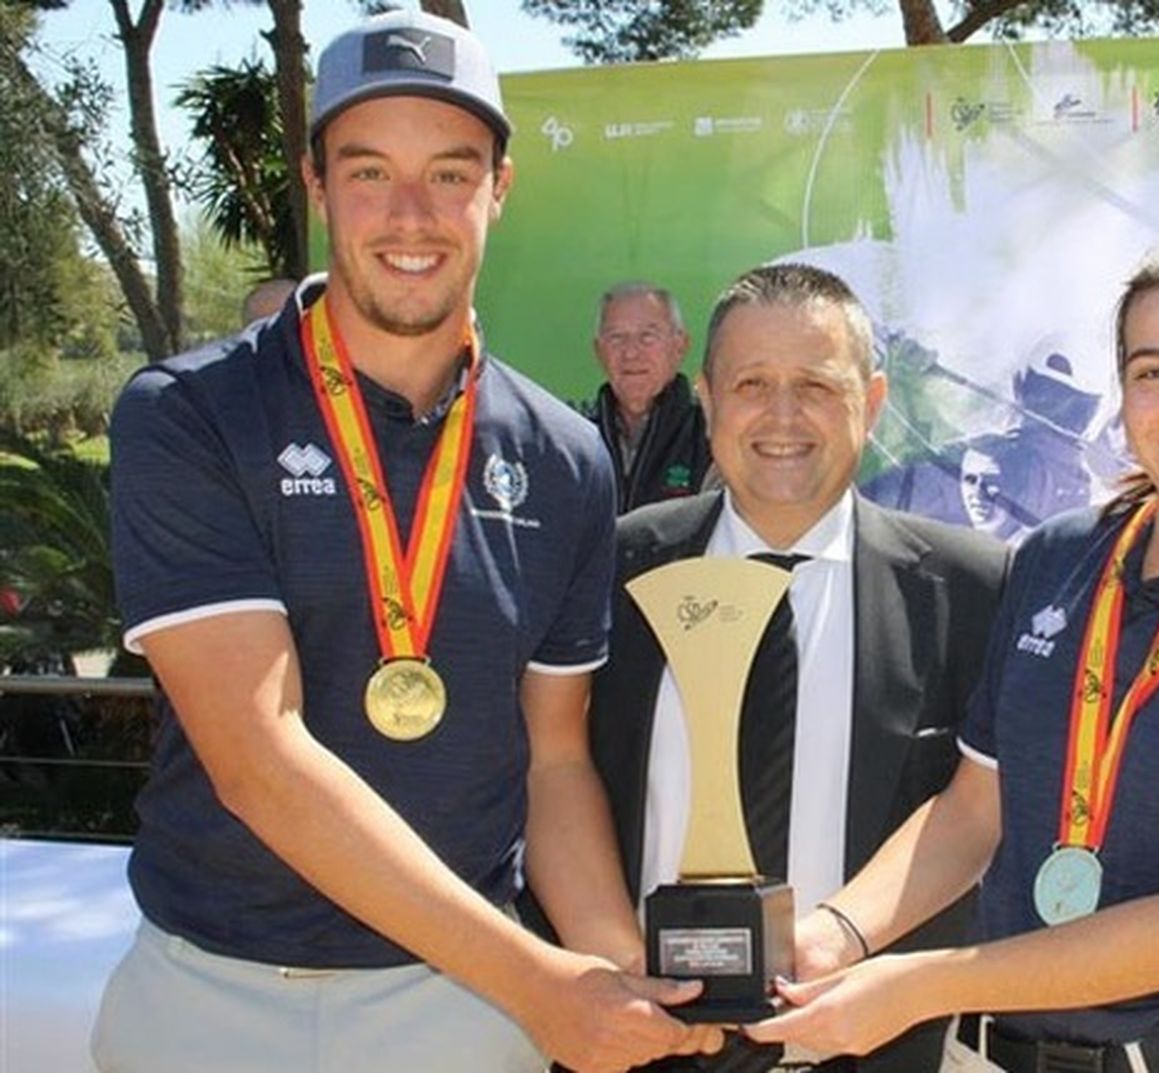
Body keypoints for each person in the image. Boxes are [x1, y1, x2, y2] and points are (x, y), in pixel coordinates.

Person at [94, 12, 717, 1072]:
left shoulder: (564, 457)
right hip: (212, 993)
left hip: (462, 1005)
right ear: (318, 184)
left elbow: (554, 757)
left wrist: (620, 978)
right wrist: (538, 978)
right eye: (371, 171)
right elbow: (257, 759)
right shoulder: (191, 409)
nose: (410, 215)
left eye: (450, 173)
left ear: (499, 189)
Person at [745, 230, 1159, 1073]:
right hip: (987, 1054)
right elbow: (971, 812)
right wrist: (836, 933)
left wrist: (916, 986)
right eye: (1154, 370)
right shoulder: (1057, 558)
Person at [569, 263, 1007, 1072]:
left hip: (869, 1054)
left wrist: (840, 940)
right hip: (642, 1045)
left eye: (816, 384)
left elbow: (977, 808)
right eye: (750, 384)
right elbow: (559, 772)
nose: (781, 415)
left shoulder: (973, 589)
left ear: (872, 403)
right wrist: (611, 964)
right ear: (705, 397)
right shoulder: (617, 566)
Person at [580, 281, 714, 512]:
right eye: (616, 337)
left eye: (647, 336)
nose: (631, 352)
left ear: (680, 346)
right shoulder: (576, 435)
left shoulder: (711, 433)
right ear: (598, 351)